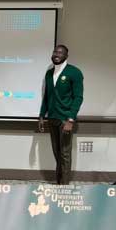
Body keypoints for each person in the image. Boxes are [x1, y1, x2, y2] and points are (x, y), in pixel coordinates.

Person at [38, 44, 84, 185]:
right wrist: (41, 116)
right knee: (57, 152)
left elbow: (78, 97)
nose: (56, 54)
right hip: (52, 118)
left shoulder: (74, 72)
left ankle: (63, 185)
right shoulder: (49, 73)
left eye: (60, 52)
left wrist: (71, 119)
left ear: (66, 56)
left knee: (64, 154)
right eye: (54, 52)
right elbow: (47, 97)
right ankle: (59, 182)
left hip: (65, 120)